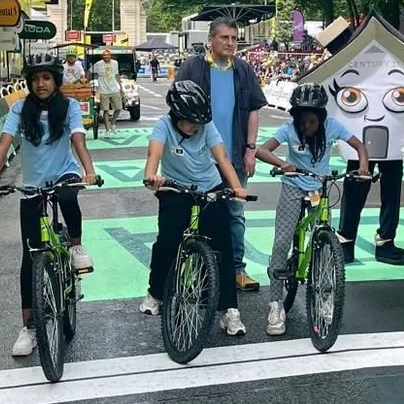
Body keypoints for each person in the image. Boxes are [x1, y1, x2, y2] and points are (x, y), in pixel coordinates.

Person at [0, 53, 99, 357]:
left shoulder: (69, 106)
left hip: (64, 173)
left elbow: (78, 141)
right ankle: (30, 328)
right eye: (34, 79)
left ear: (56, 80)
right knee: (29, 257)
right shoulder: (20, 109)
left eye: (46, 77)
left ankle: (75, 245)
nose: (40, 84)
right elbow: (4, 143)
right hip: (32, 184)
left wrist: (89, 171)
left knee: (68, 195)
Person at [256, 83, 369, 337]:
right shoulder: (288, 129)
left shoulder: (332, 127)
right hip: (293, 186)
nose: (307, 127)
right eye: (302, 121)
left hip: (320, 187)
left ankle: (326, 299)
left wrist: (363, 166)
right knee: (282, 241)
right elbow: (262, 150)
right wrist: (282, 163)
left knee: (325, 243)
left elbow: (360, 146)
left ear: (321, 118)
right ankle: (276, 305)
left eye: (311, 121)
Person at [140, 80, 249, 336]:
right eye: (190, 121)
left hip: (208, 188)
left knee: (223, 247)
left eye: (199, 121)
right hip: (175, 189)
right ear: (177, 115)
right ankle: (156, 293)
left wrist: (236, 188)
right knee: (167, 243)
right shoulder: (163, 126)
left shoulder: (206, 126)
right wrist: (151, 177)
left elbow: (222, 158)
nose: (195, 126)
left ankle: (229, 310)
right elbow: (153, 154)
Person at [177, 18, 268, 292]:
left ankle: (237, 269)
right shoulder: (192, 68)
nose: (230, 43)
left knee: (235, 214)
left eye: (233, 38)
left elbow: (254, 109)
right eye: (224, 38)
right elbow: (177, 109)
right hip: (198, 158)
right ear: (211, 40)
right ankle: (193, 271)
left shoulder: (243, 69)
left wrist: (251, 149)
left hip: (235, 157)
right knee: (195, 214)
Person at [92, 48, 123, 135]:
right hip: (103, 91)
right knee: (106, 111)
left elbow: (117, 75)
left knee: (118, 108)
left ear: (110, 56)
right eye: (104, 55)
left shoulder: (115, 63)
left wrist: (121, 88)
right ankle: (107, 130)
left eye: (108, 55)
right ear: (102, 56)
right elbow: (90, 72)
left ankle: (112, 124)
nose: (106, 56)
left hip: (114, 89)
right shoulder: (98, 64)